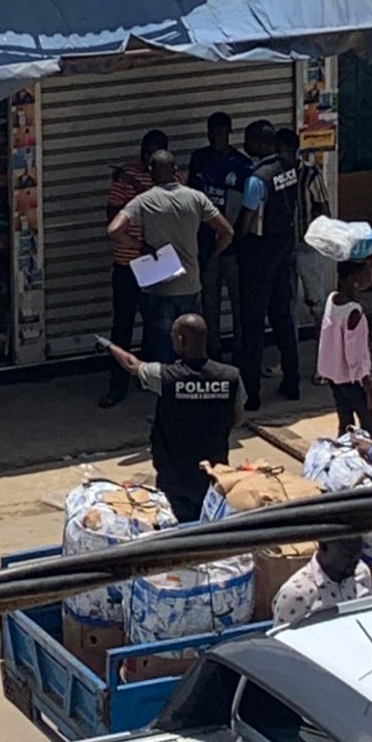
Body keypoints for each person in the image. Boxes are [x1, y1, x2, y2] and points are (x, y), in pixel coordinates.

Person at [105, 313, 245, 521]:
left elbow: (132, 365)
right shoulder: (230, 376)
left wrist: (108, 345)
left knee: (176, 529)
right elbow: (238, 418)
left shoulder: (166, 377)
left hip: (174, 476)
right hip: (214, 474)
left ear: (180, 340)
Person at [107, 151, 233, 364]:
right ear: (175, 172)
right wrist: (209, 256)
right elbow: (227, 232)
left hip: (160, 287)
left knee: (164, 350)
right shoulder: (196, 198)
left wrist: (142, 247)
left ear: (151, 173)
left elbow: (114, 230)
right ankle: (192, 390)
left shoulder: (143, 201)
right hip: (190, 285)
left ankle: (168, 392)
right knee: (193, 347)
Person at [99, 128, 168, 409]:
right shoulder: (126, 177)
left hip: (160, 264)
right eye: (145, 151)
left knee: (158, 325)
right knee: (123, 326)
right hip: (128, 263)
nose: (148, 157)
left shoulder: (173, 178)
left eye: (154, 152)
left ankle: (152, 379)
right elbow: (112, 214)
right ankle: (117, 385)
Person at [236, 120, 300, 411]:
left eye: (248, 141)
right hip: (284, 247)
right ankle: (293, 382)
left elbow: (247, 220)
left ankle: (252, 394)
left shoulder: (256, 179)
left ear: (260, 144)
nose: (245, 146)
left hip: (259, 252)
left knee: (253, 323)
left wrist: (233, 242)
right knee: (282, 316)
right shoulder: (289, 167)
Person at [188, 112, 250, 360]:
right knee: (209, 303)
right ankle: (212, 353)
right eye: (212, 132)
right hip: (206, 246)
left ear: (229, 133)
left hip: (235, 248)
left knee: (239, 302)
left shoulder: (242, 164)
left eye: (222, 132)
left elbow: (247, 209)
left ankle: (241, 352)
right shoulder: (199, 160)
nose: (217, 137)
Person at [276, 129, 332, 345]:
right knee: (285, 304)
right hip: (284, 247)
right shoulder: (276, 175)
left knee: (317, 304)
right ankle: (291, 356)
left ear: (287, 149)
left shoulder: (310, 174)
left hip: (308, 247)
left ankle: (324, 358)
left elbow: (324, 210)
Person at [317, 258, 372, 440]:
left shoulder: (332, 299)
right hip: (352, 380)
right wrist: (369, 389)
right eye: (365, 275)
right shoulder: (354, 311)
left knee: (345, 422)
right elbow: (355, 356)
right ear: (354, 280)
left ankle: (343, 456)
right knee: (370, 429)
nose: (369, 278)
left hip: (333, 375)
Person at [272, 537, 371, 626]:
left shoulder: (361, 573)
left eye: (358, 553)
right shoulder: (296, 594)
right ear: (323, 547)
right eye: (347, 554)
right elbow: (283, 643)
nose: (355, 560)